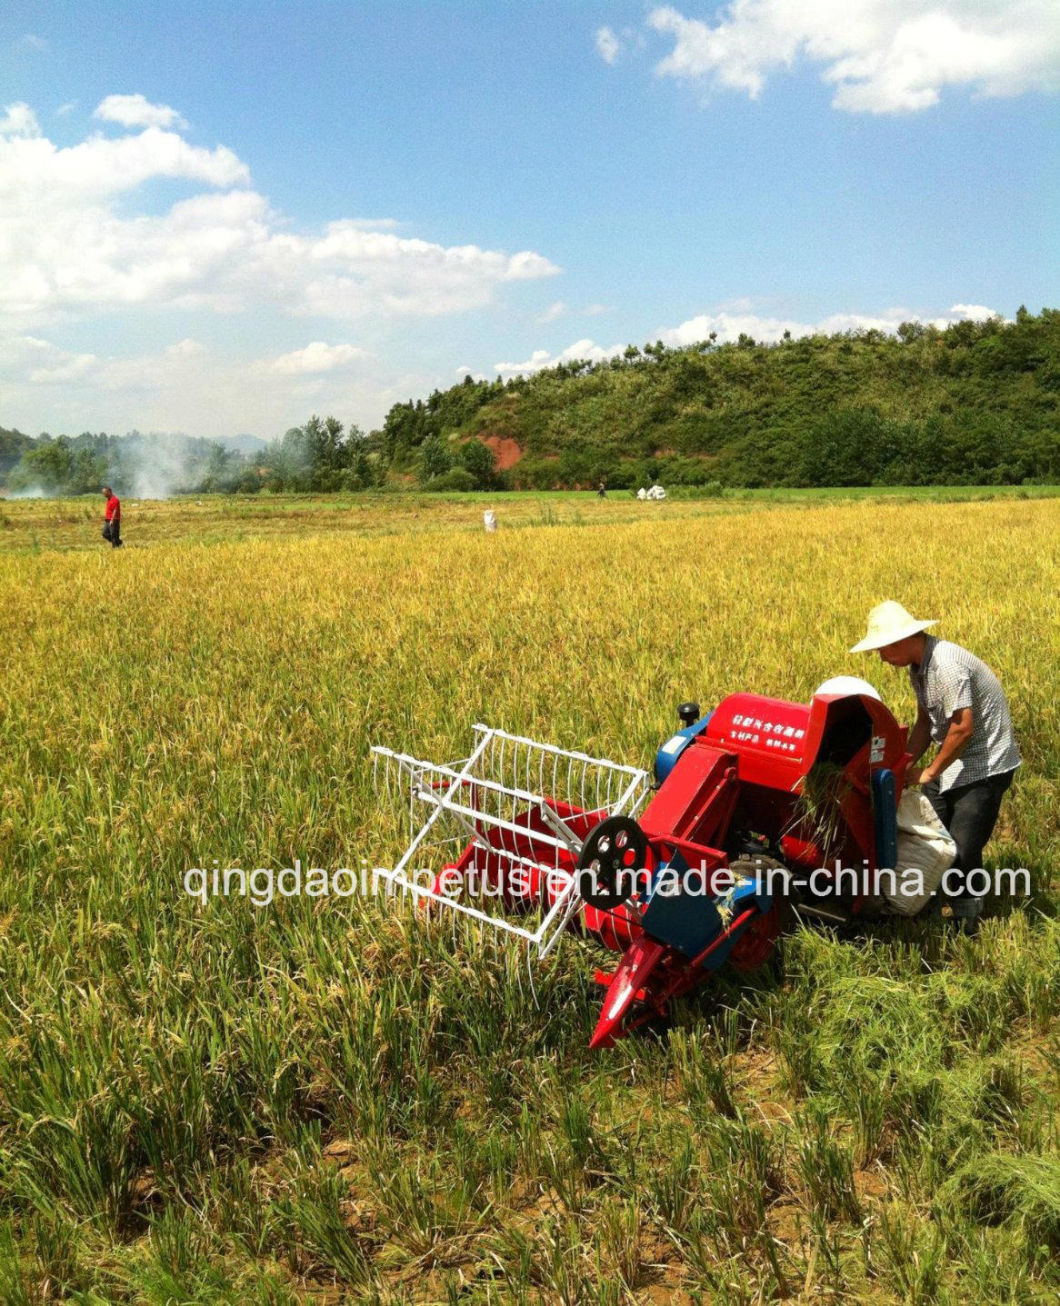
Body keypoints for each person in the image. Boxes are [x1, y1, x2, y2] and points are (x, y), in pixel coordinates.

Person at [851, 600, 1020, 929]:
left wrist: (929, 772)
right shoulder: (920, 667)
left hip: (986, 764)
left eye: (882, 651)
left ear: (899, 642)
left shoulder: (945, 665)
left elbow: (963, 728)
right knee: (926, 834)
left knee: (961, 848)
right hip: (956, 761)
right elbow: (926, 724)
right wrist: (904, 763)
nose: (882, 659)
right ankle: (922, 905)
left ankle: (966, 922)